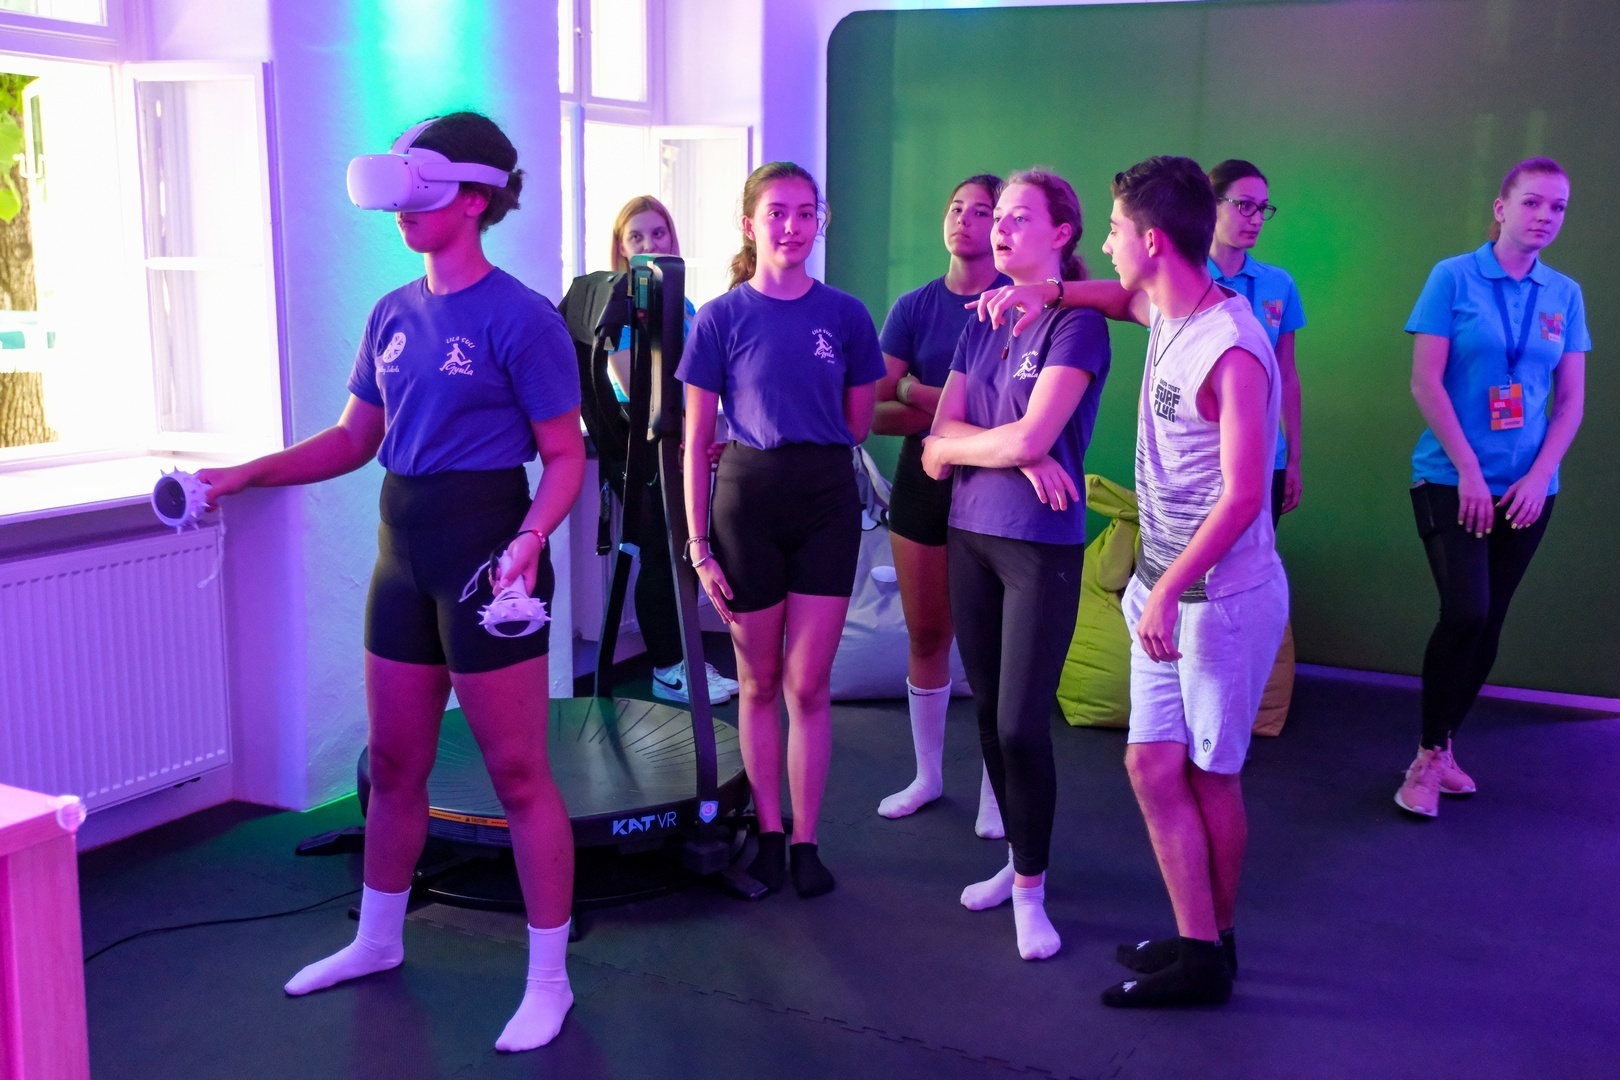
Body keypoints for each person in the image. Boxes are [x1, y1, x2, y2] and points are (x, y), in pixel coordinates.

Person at [199, 113, 584, 1051]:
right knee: (395, 763)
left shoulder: (523, 318)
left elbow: (567, 456)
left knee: (519, 775)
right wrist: (245, 473)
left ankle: (550, 981)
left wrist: (531, 536)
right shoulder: (391, 314)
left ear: (476, 198)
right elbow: (352, 439)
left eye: (424, 193)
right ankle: (376, 939)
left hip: (486, 549)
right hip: (401, 549)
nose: (403, 213)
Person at [977, 155, 1286, 1003]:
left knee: (1211, 777)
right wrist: (1048, 293)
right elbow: (1118, 300)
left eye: (1114, 231)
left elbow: (1244, 496)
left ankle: (1213, 951)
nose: (1106, 245)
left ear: (1151, 241)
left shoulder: (1233, 348)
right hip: (1164, 586)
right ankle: (1196, 943)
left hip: (1219, 601)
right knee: (1151, 767)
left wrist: (1171, 589)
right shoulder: (1163, 307)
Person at [677, 162, 885, 897]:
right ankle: (768, 832)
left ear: (818, 222)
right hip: (747, 502)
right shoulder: (720, 318)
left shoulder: (847, 316)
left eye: (805, 213)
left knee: (808, 683)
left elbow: (857, 424)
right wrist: (698, 546)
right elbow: (694, 439)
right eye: (777, 213)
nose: (792, 227)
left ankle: (805, 841)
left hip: (826, 499)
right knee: (759, 680)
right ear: (750, 225)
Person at [920, 168, 1111, 960]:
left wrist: (1011, 447)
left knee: (1021, 724)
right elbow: (934, 443)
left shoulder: (1079, 325)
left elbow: (1021, 434)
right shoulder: (980, 318)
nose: (998, 227)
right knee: (988, 714)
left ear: (1061, 233)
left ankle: (1031, 889)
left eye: (1018, 216)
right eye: (996, 215)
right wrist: (1019, 454)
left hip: (1039, 544)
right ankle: (1015, 862)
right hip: (969, 533)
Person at [1396, 157, 1587, 818]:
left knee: (1491, 621)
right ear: (1502, 208)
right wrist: (1471, 471)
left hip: (1529, 490)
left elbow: (1570, 402)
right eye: (1532, 203)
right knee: (1466, 614)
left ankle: (1441, 750)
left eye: (1558, 207)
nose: (1545, 217)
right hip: (1452, 478)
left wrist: (1539, 476)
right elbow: (1425, 381)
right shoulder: (1452, 277)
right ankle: (1426, 757)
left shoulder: (1564, 294)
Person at [873, 173, 1010, 836]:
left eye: (981, 211)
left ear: (1001, 226)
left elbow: (1007, 414)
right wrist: (951, 409)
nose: (964, 219)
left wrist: (916, 391)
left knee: (993, 651)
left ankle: (996, 791)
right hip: (921, 481)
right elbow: (874, 410)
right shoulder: (914, 306)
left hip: (996, 488)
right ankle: (927, 776)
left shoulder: (1016, 302)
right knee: (928, 635)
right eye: (957, 207)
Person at [603, 195, 739, 707]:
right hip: (646, 450)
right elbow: (636, 388)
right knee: (661, 555)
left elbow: (701, 381)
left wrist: (700, 439)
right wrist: (681, 439)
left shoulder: (682, 304)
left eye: (657, 233)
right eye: (636, 236)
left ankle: (683, 661)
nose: (649, 244)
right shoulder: (621, 307)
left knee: (682, 552)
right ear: (621, 247)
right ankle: (666, 668)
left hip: (680, 442)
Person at [1206, 160, 1305, 525]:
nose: (1257, 219)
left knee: (1255, 557)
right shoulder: (1183, 281)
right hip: (1199, 457)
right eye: (1245, 205)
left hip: (1267, 458)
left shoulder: (1279, 283)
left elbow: (1286, 374)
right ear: (1211, 205)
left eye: (1263, 208)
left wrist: (1293, 459)